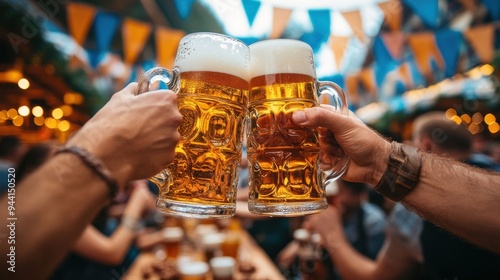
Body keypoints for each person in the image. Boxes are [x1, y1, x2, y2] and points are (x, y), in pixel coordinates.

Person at [0, 83, 181, 280]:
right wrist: (134, 208)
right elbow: (112, 252)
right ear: (33, 173)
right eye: (58, 165)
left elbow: (106, 224)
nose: (65, 170)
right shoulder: (44, 214)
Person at [302, 110, 500, 279]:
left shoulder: (409, 212)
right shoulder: (493, 173)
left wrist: (332, 235)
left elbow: (378, 278)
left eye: (411, 144)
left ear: (426, 146)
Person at [277, 180, 387, 279]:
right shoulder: (332, 210)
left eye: (340, 192)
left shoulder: (373, 221)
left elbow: (379, 273)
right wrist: (301, 242)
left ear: (359, 195)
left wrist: (332, 236)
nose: (339, 199)